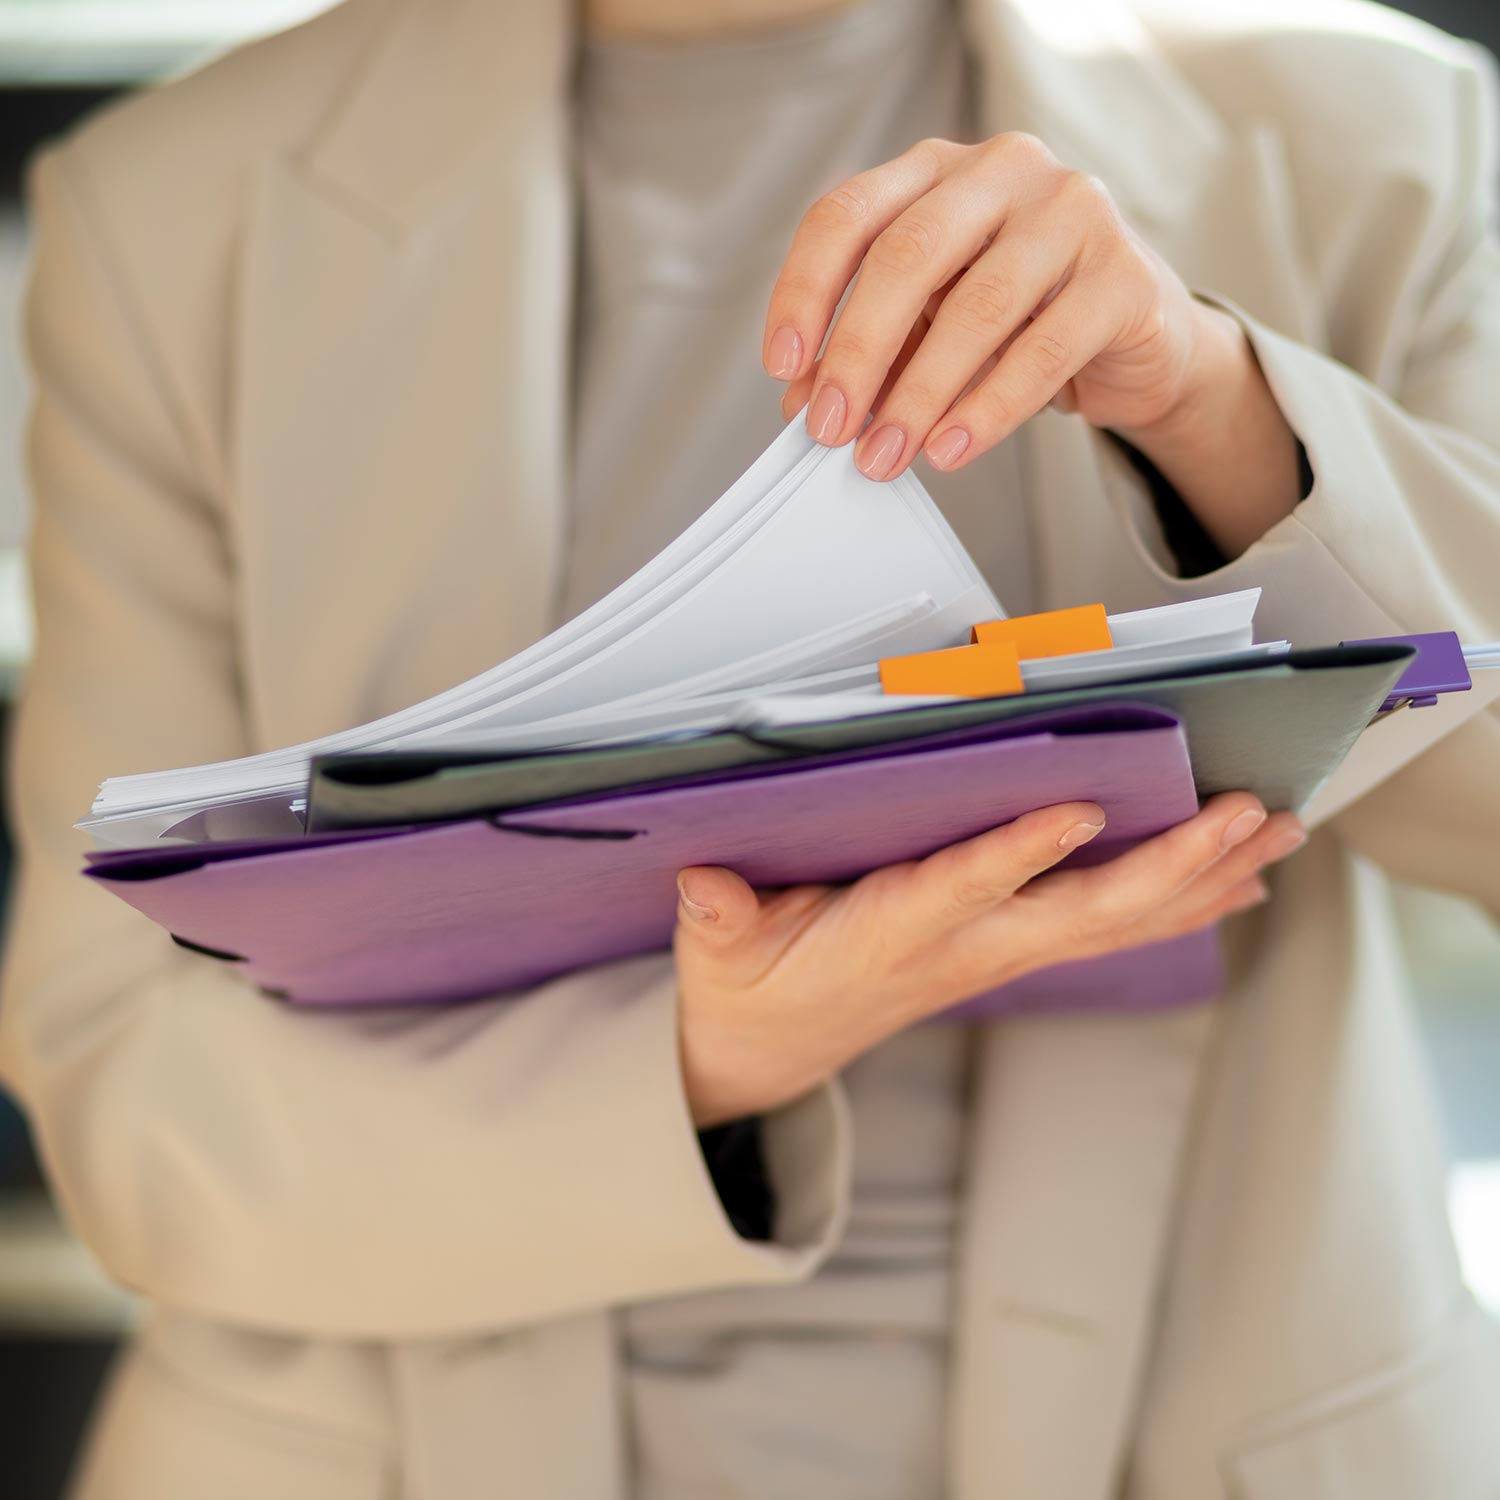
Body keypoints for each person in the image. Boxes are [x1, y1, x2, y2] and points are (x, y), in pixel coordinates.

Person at [3, 0, 1499, 1494]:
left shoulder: (1385, 134)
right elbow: (127, 1093)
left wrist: (1203, 400)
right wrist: (712, 1058)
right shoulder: (164, 215)